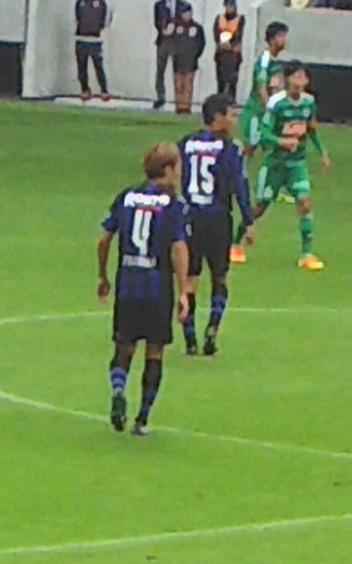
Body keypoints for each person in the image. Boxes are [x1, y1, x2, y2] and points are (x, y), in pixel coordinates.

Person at [98, 142, 191, 436]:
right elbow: (179, 247)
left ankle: (118, 390)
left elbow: (104, 239)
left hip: (128, 285)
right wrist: (184, 291)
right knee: (155, 351)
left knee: (124, 347)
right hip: (156, 287)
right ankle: (142, 419)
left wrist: (103, 275)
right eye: (177, 166)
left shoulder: (126, 197)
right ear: (168, 169)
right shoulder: (174, 206)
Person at [179, 95, 254, 355]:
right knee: (219, 277)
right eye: (231, 115)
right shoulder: (230, 148)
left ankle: (190, 338)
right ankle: (212, 328)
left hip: (190, 219)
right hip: (218, 219)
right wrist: (248, 220)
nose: (235, 121)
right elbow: (239, 185)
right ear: (218, 117)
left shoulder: (185, 144)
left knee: (190, 279)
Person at [243, 60, 330, 270]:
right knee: (260, 207)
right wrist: (281, 141)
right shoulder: (277, 103)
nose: (300, 81)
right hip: (275, 164)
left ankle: (307, 254)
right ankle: (236, 241)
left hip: (297, 164)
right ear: (287, 79)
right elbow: (264, 134)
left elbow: (312, 129)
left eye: (303, 77)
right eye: (296, 76)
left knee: (305, 203)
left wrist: (323, 153)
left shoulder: (309, 103)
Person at [238, 18, 289, 158]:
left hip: (267, 111)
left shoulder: (276, 61)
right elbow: (261, 86)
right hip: (257, 110)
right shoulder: (265, 59)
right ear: (271, 39)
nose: (284, 40)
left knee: (270, 146)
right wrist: (269, 107)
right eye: (281, 36)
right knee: (251, 145)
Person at [74, 0, 111, 104]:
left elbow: (104, 21)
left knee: (98, 65)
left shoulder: (102, 4)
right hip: (81, 39)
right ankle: (85, 90)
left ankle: (104, 90)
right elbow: (77, 18)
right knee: (82, 66)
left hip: (95, 39)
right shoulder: (80, 3)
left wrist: (98, 30)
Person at [172, 2, 206, 113]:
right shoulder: (176, 27)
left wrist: (194, 55)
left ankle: (186, 107)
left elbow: (201, 44)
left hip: (190, 62)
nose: (185, 15)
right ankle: (178, 106)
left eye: (187, 13)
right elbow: (172, 42)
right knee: (178, 85)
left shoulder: (197, 28)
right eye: (183, 13)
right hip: (178, 62)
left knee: (188, 86)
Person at [213, 1, 245, 102]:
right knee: (221, 81)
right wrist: (221, 43)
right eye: (227, 6)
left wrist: (230, 44)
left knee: (232, 81)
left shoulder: (240, 19)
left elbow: (239, 35)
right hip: (221, 53)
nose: (229, 9)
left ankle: (231, 101)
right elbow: (216, 34)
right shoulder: (219, 19)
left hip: (234, 54)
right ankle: (220, 101)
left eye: (231, 6)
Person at [154, 0, 179, 110]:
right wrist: (163, 29)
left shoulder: (183, 5)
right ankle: (161, 96)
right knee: (160, 70)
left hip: (177, 41)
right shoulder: (159, 5)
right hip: (163, 41)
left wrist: (174, 27)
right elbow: (157, 21)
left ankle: (179, 97)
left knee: (178, 71)